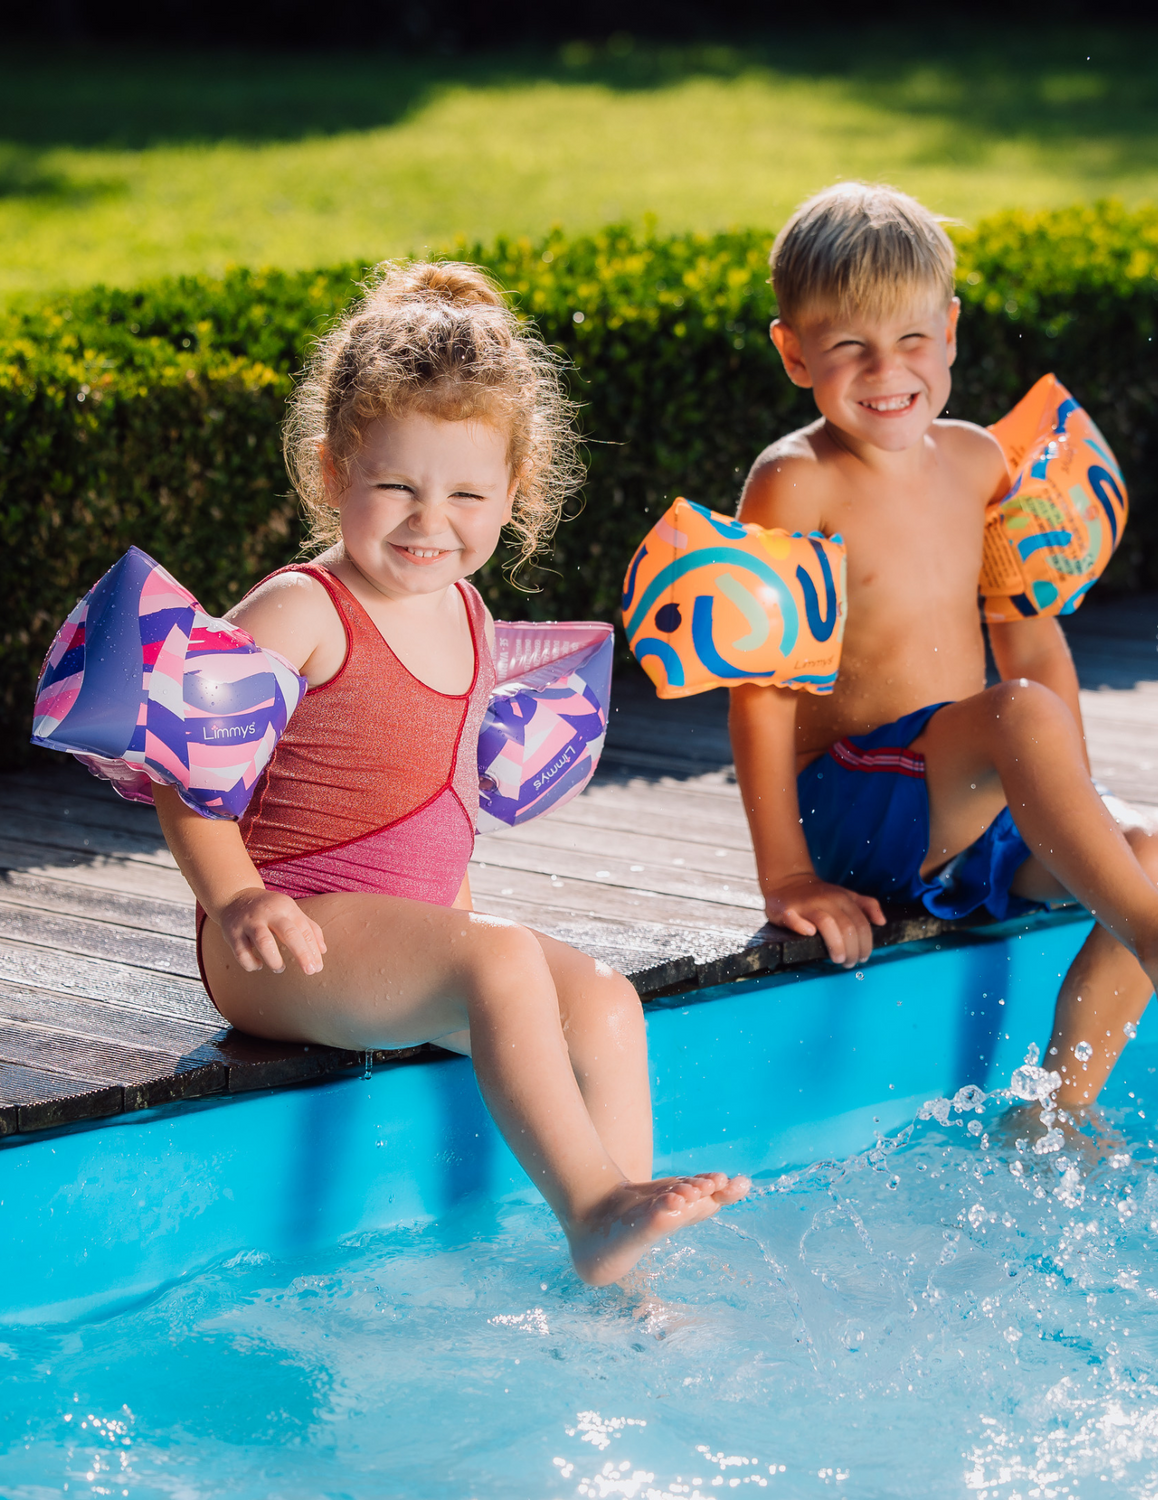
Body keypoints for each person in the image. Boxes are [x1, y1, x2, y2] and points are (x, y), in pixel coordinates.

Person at [154, 261, 747, 1284]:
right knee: (503, 961)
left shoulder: (469, 614)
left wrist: (455, 926)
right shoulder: (304, 610)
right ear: (334, 472)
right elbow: (181, 762)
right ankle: (593, 1209)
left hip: (392, 943)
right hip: (278, 942)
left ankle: (626, 1267)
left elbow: (439, 802)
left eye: (467, 494)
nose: (430, 522)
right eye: (397, 487)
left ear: (513, 493)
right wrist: (236, 897)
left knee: (607, 1004)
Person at [728, 183, 1158, 1110]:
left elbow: (1032, 645)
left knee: (1157, 861)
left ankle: (1060, 1115)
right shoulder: (794, 482)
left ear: (951, 331)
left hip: (963, 800)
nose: (888, 370)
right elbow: (759, 693)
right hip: (856, 803)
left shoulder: (978, 463)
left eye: (912, 339)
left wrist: (1072, 805)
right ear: (794, 352)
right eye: (849, 348)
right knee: (1021, 718)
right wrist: (788, 876)